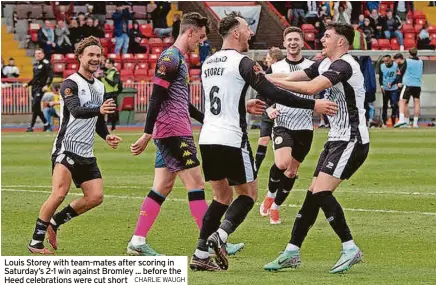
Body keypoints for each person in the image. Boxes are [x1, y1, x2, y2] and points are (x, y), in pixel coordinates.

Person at [189, 12, 338, 272]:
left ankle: (200, 253)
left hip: (208, 137)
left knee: (220, 197)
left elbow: (220, 99)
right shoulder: (243, 62)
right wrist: (314, 103)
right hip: (232, 139)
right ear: (235, 33)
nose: (250, 33)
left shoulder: (208, 62)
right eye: (247, 29)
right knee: (248, 196)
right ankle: (220, 236)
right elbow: (274, 93)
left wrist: (243, 104)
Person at [126, 13, 249, 258]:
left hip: (173, 129)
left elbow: (183, 103)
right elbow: (155, 96)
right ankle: (212, 242)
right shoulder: (171, 58)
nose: (201, 42)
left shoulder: (178, 59)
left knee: (163, 184)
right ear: (189, 32)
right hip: (173, 132)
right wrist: (147, 133)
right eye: (200, 37)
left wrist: (210, 119)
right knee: (197, 183)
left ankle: (137, 241)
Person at [264, 22, 370, 274]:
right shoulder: (323, 63)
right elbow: (291, 77)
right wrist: (262, 77)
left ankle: (349, 247)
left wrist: (269, 84)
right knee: (313, 194)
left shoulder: (345, 65)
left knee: (321, 193)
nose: (322, 39)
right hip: (336, 139)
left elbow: (311, 89)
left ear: (341, 42)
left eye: (327, 36)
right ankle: (292, 251)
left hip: (351, 139)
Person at [27, 36, 121, 254]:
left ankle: (55, 223)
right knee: (59, 193)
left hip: (86, 151)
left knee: (95, 197)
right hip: (66, 148)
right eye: (91, 55)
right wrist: (98, 110)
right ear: (80, 56)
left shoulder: (99, 86)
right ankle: (35, 242)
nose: (95, 59)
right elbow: (77, 111)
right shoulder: (70, 83)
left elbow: (97, 119)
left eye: (98, 55)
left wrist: (106, 135)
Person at [258, 27, 315, 225]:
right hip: (283, 123)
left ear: (302, 43)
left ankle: (276, 207)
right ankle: (270, 194)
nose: (292, 42)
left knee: (291, 171)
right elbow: (262, 93)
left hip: (305, 126)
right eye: (289, 39)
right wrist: (269, 109)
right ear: (284, 44)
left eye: (296, 39)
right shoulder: (275, 68)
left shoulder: (312, 66)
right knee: (282, 164)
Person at [254, 47, 284, 174]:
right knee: (263, 139)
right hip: (269, 111)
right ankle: (255, 168)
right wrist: (268, 108)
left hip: (283, 113)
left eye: (268, 57)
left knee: (284, 143)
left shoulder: (285, 74)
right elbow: (259, 96)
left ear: (274, 59)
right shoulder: (265, 75)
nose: (266, 60)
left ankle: (289, 168)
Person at [23, 49, 53, 132]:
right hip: (34, 89)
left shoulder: (46, 63)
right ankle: (46, 124)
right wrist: (28, 84)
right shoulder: (36, 65)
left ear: (43, 54)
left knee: (35, 104)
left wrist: (47, 85)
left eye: (39, 53)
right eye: (36, 54)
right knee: (36, 107)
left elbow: (50, 76)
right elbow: (34, 79)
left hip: (41, 88)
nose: (37, 55)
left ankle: (31, 126)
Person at [394, 48, 423, 128]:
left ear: (409, 53)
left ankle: (402, 120)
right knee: (416, 103)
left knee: (402, 101)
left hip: (408, 84)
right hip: (417, 84)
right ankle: (415, 123)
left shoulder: (407, 61)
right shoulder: (421, 61)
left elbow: (400, 71)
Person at [101, 58, 121, 131]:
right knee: (102, 110)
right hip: (104, 93)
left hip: (112, 94)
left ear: (112, 64)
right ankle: (102, 127)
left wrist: (105, 78)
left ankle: (113, 127)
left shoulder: (115, 72)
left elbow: (114, 84)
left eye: (108, 63)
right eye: (106, 63)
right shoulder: (105, 72)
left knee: (112, 111)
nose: (106, 64)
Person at [379, 55, 399, 127]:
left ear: (391, 60)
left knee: (394, 105)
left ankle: (394, 121)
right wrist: (381, 86)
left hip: (394, 88)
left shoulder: (396, 65)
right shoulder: (382, 66)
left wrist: (393, 83)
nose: (386, 62)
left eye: (387, 61)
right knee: (385, 105)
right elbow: (380, 77)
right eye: (384, 61)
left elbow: (398, 76)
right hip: (385, 89)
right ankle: (384, 122)